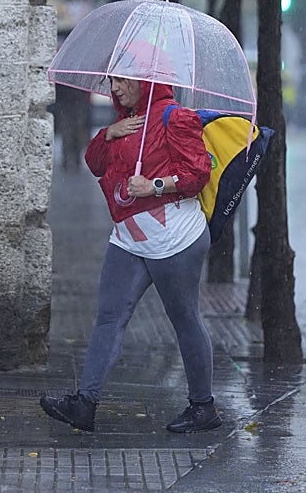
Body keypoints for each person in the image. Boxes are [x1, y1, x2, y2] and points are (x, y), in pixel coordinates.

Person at [39, 75, 222, 433]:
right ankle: (84, 404)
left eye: (124, 81)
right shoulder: (126, 120)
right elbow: (95, 164)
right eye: (113, 81)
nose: (116, 89)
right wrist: (109, 134)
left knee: (185, 319)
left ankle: (203, 407)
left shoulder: (175, 117)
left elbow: (198, 173)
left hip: (174, 239)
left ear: (146, 82)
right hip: (128, 236)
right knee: (109, 317)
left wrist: (154, 185)